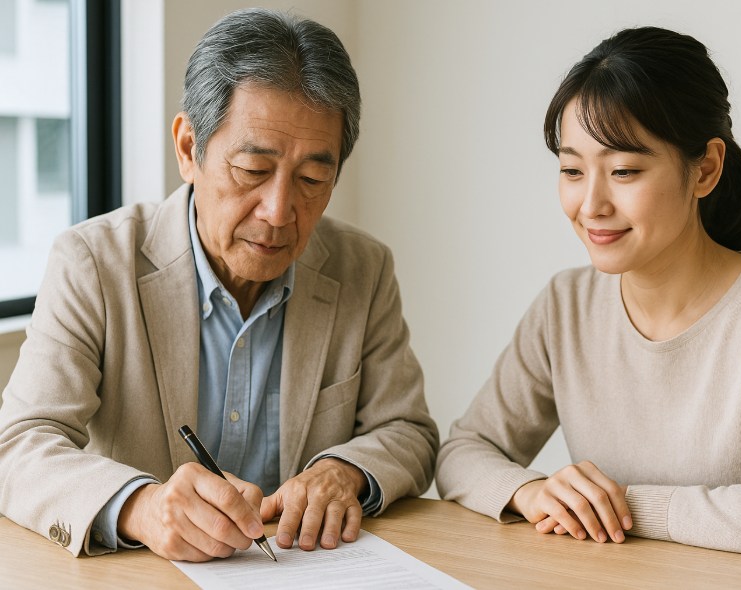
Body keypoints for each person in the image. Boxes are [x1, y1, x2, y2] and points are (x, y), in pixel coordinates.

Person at [0, 8, 438, 561]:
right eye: (253, 170)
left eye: (311, 179)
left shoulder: (362, 269)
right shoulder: (93, 262)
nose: (280, 212)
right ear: (188, 148)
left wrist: (342, 471)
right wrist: (143, 507)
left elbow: (410, 430)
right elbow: (18, 444)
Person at [435, 26, 741, 563]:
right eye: (571, 170)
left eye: (624, 171)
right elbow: (462, 451)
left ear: (705, 169)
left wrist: (622, 507)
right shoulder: (565, 306)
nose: (590, 204)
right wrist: (532, 492)